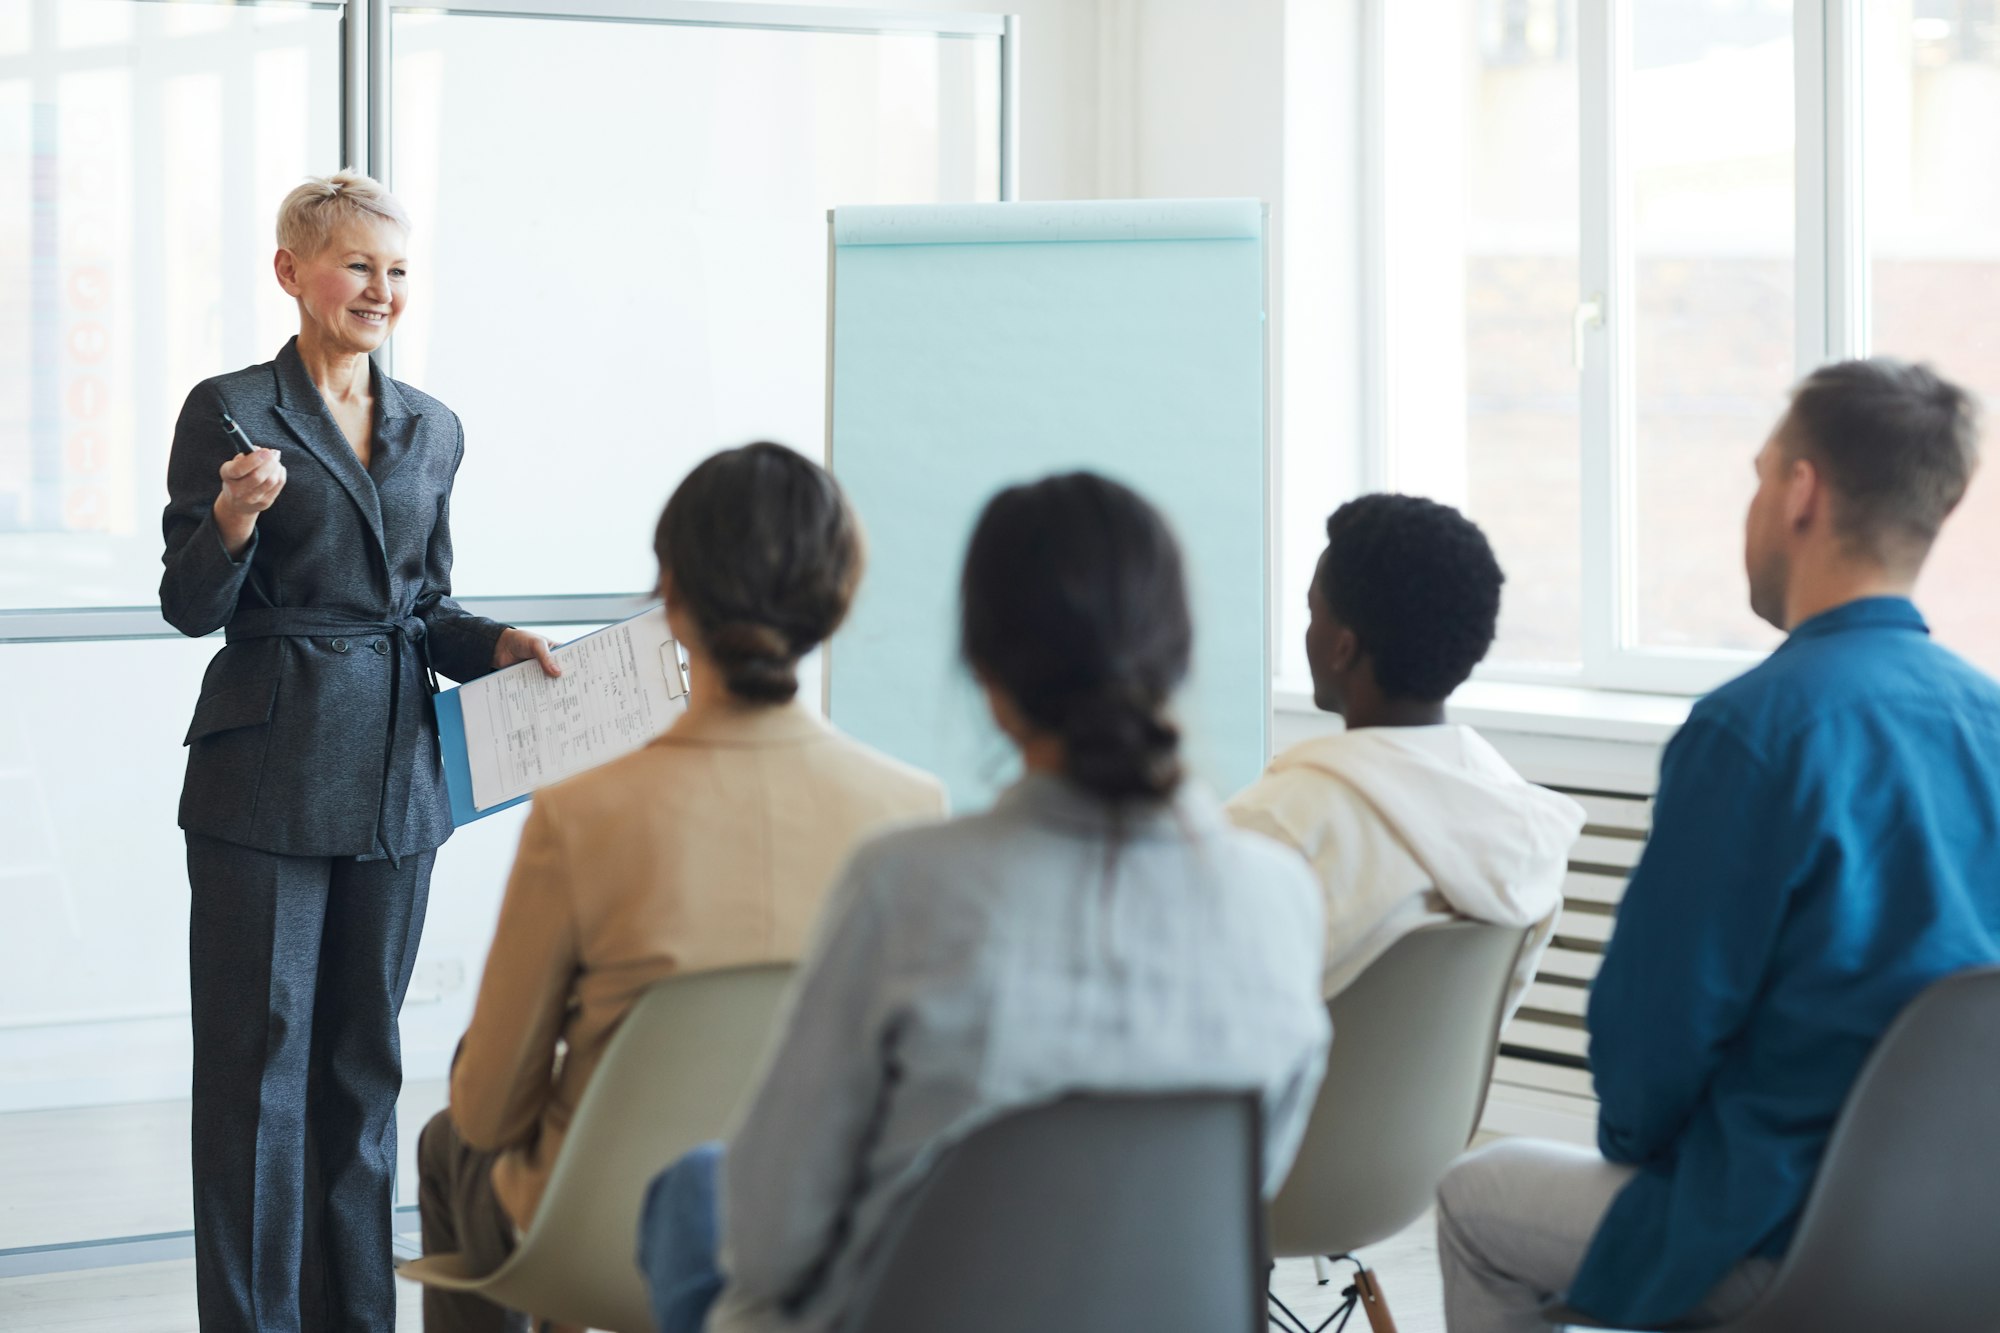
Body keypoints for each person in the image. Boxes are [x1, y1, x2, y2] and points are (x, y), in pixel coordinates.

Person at [635, 472, 1333, 1333]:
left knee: (695, 1197)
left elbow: (770, 1243)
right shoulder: (1281, 899)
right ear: (1179, 654)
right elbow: (1238, 1187)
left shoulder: (906, 888)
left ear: (985, 670)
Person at [1436, 358, 2000, 1332]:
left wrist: (1644, 1146)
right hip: (1966, 1235)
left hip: (1776, 1230)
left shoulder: (1752, 731)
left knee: (1469, 1201)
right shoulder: (1985, 719)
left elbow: (1648, 1049)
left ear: (1798, 492)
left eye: (1754, 473)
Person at [417, 442, 947, 1333]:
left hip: (606, 1244)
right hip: (831, 1236)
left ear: (671, 589)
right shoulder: (912, 808)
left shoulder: (585, 812)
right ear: (838, 596)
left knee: (448, 1144)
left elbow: (489, 1106)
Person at [160, 170, 558, 1333]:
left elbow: (425, 606)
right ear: (292, 272)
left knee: (359, 1065)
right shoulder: (229, 407)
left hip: (396, 773)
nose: (381, 290)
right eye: (356, 266)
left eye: (396, 270)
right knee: (257, 1066)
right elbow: (189, 604)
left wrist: (503, 643)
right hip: (263, 767)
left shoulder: (435, 425)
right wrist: (232, 519)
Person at [1227, 494, 1583, 1009]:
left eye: (1313, 612)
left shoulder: (1277, 826)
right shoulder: (1522, 826)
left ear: (1343, 647)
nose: (1309, 631)